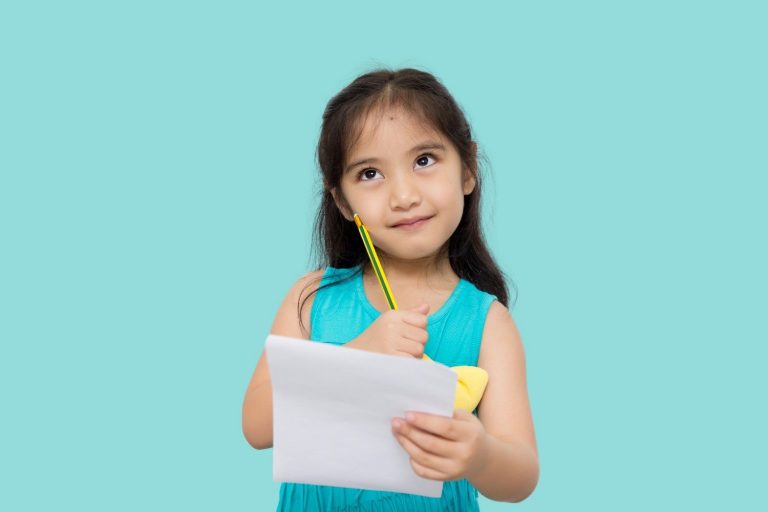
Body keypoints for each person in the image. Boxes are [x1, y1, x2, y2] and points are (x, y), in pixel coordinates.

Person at [242, 68, 539, 511]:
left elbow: (521, 476)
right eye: (369, 174)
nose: (403, 196)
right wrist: (357, 356)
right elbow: (257, 427)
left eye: (424, 160)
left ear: (468, 169)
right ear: (343, 202)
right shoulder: (312, 297)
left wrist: (480, 455)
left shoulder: (488, 322)